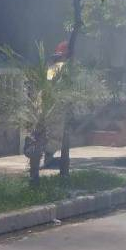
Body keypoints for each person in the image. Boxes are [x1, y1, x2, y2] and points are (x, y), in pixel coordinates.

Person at [42, 41, 69, 169]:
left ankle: (48, 158)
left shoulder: (52, 67)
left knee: (51, 132)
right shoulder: (62, 67)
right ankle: (48, 159)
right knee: (55, 133)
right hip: (57, 104)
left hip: (49, 103)